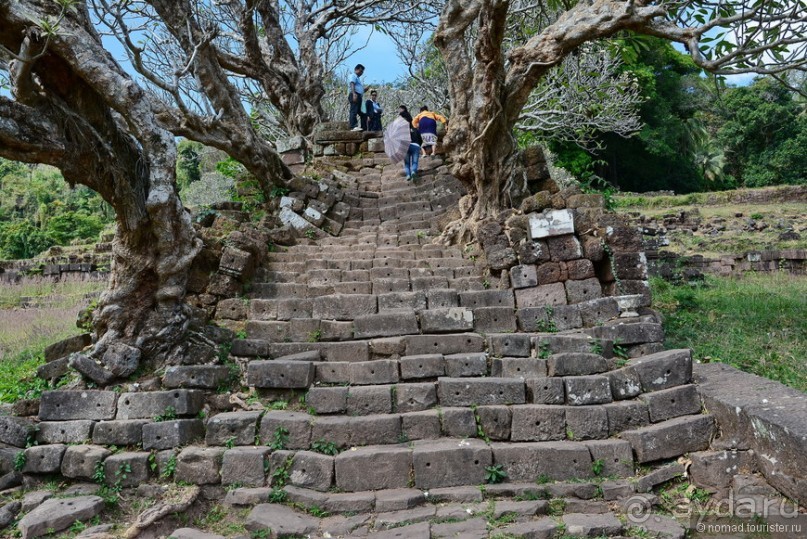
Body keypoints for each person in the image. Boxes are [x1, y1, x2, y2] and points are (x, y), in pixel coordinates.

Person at [403, 111, 422, 182]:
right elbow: (420, 139)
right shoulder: (415, 130)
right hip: (416, 146)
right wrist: (419, 146)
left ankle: (408, 175)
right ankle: (413, 171)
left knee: (407, 163)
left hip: (406, 146)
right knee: (415, 162)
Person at [348, 64, 365, 131]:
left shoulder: (358, 78)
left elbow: (359, 88)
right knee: (353, 110)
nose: (361, 73)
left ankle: (364, 127)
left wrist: (364, 90)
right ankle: (353, 126)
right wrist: (354, 93)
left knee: (362, 113)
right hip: (354, 94)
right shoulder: (353, 75)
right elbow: (352, 83)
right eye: (360, 71)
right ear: (356, 69)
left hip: (359, 95)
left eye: (362, 72)